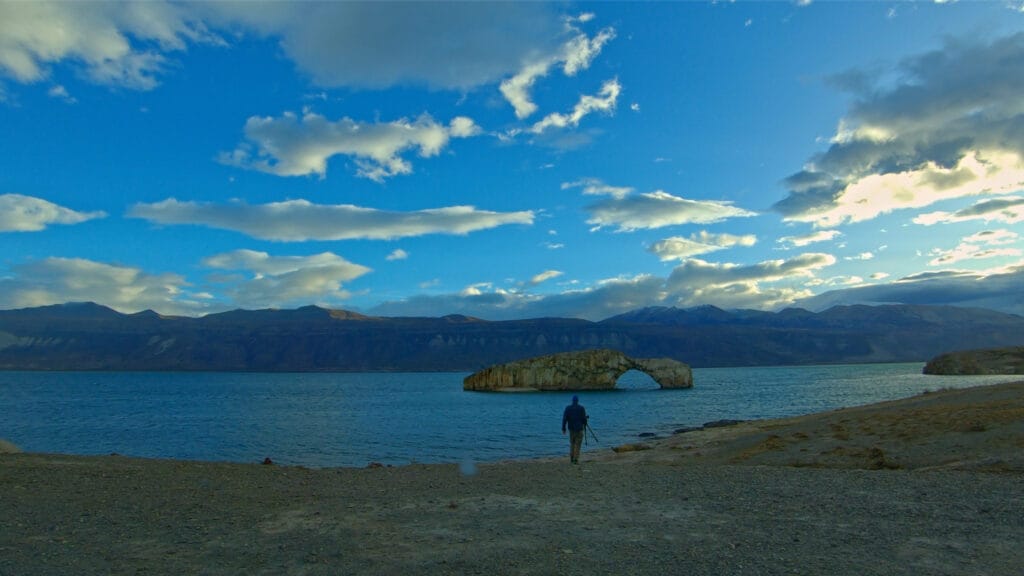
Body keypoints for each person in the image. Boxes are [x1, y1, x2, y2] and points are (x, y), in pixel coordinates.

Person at [561, 395, 588, 464]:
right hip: (579, 429)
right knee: (578, 444)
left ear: (572, 401)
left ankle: (572, 458)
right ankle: (576, 459)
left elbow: (564, 419)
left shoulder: (568, 408)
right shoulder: (581, 408)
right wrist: (585, 423)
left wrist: (563, 428)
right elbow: (584, 419)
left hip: (571, 429)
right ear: (577, 401)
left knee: (572, 444)